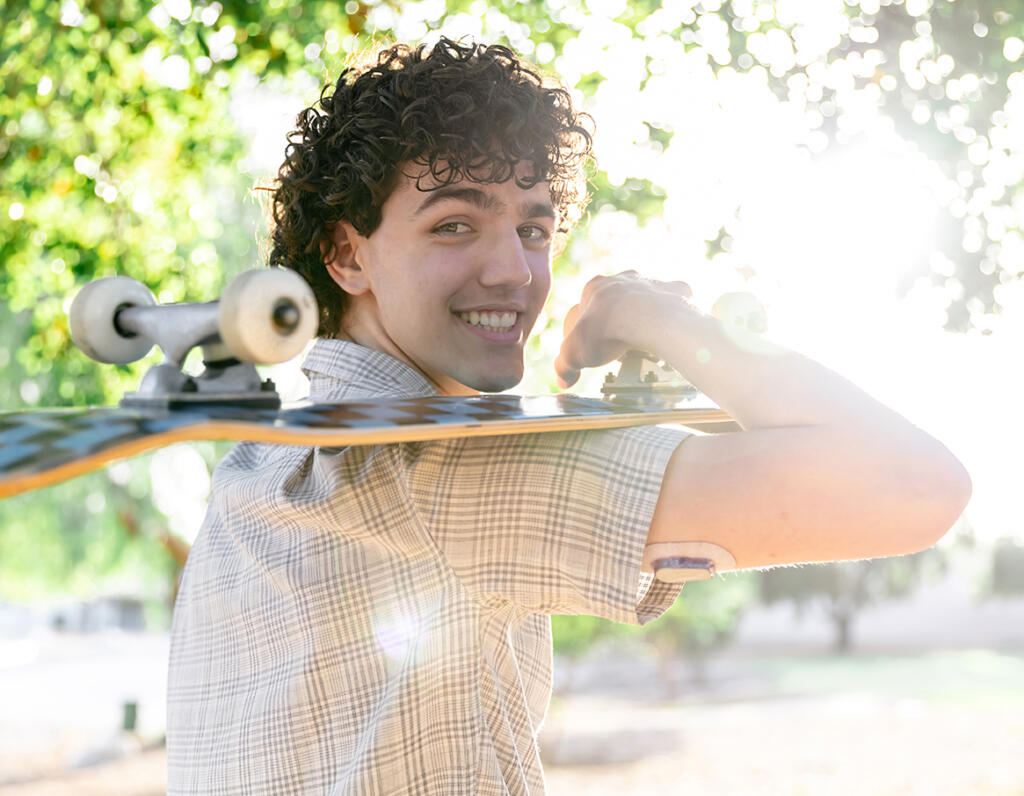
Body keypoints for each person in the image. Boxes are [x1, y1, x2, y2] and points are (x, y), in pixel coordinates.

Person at [166, 38, 971, 794]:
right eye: (454, 224)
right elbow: (916, 486)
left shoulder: (254, 467)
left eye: (534, 227)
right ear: (348, 255)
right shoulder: (451, 473)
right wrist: (667, 322)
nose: (514, 269)